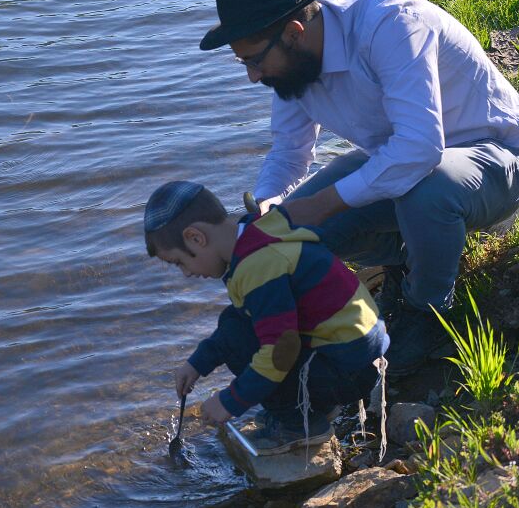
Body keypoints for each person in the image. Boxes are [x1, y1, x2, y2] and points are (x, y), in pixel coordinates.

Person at [198, 0, 519, 375]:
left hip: (494, 158)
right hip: (401, 167)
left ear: (293, 32)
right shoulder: (292, 65)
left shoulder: (392, 26)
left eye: (253, 61)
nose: (253, 76)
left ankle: (428, 313)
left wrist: (325, 202)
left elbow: (419, 149)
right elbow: (290, 151)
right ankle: (411, 260)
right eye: (243, 64)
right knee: (290, 234)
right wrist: (271, 198)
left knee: (424, 191)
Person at [144, 180, 389, 455]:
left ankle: (299, 424)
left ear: (195, 238)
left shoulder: (257, 267)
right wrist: (198, 363)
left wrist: (231, 400)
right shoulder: (256, 234)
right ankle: (312, 405)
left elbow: (281, 350)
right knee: (236, 321)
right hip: (354, 357)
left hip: (348, 372)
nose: (186, 273)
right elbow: (242, 318)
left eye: (179, 262)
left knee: (242, 342)